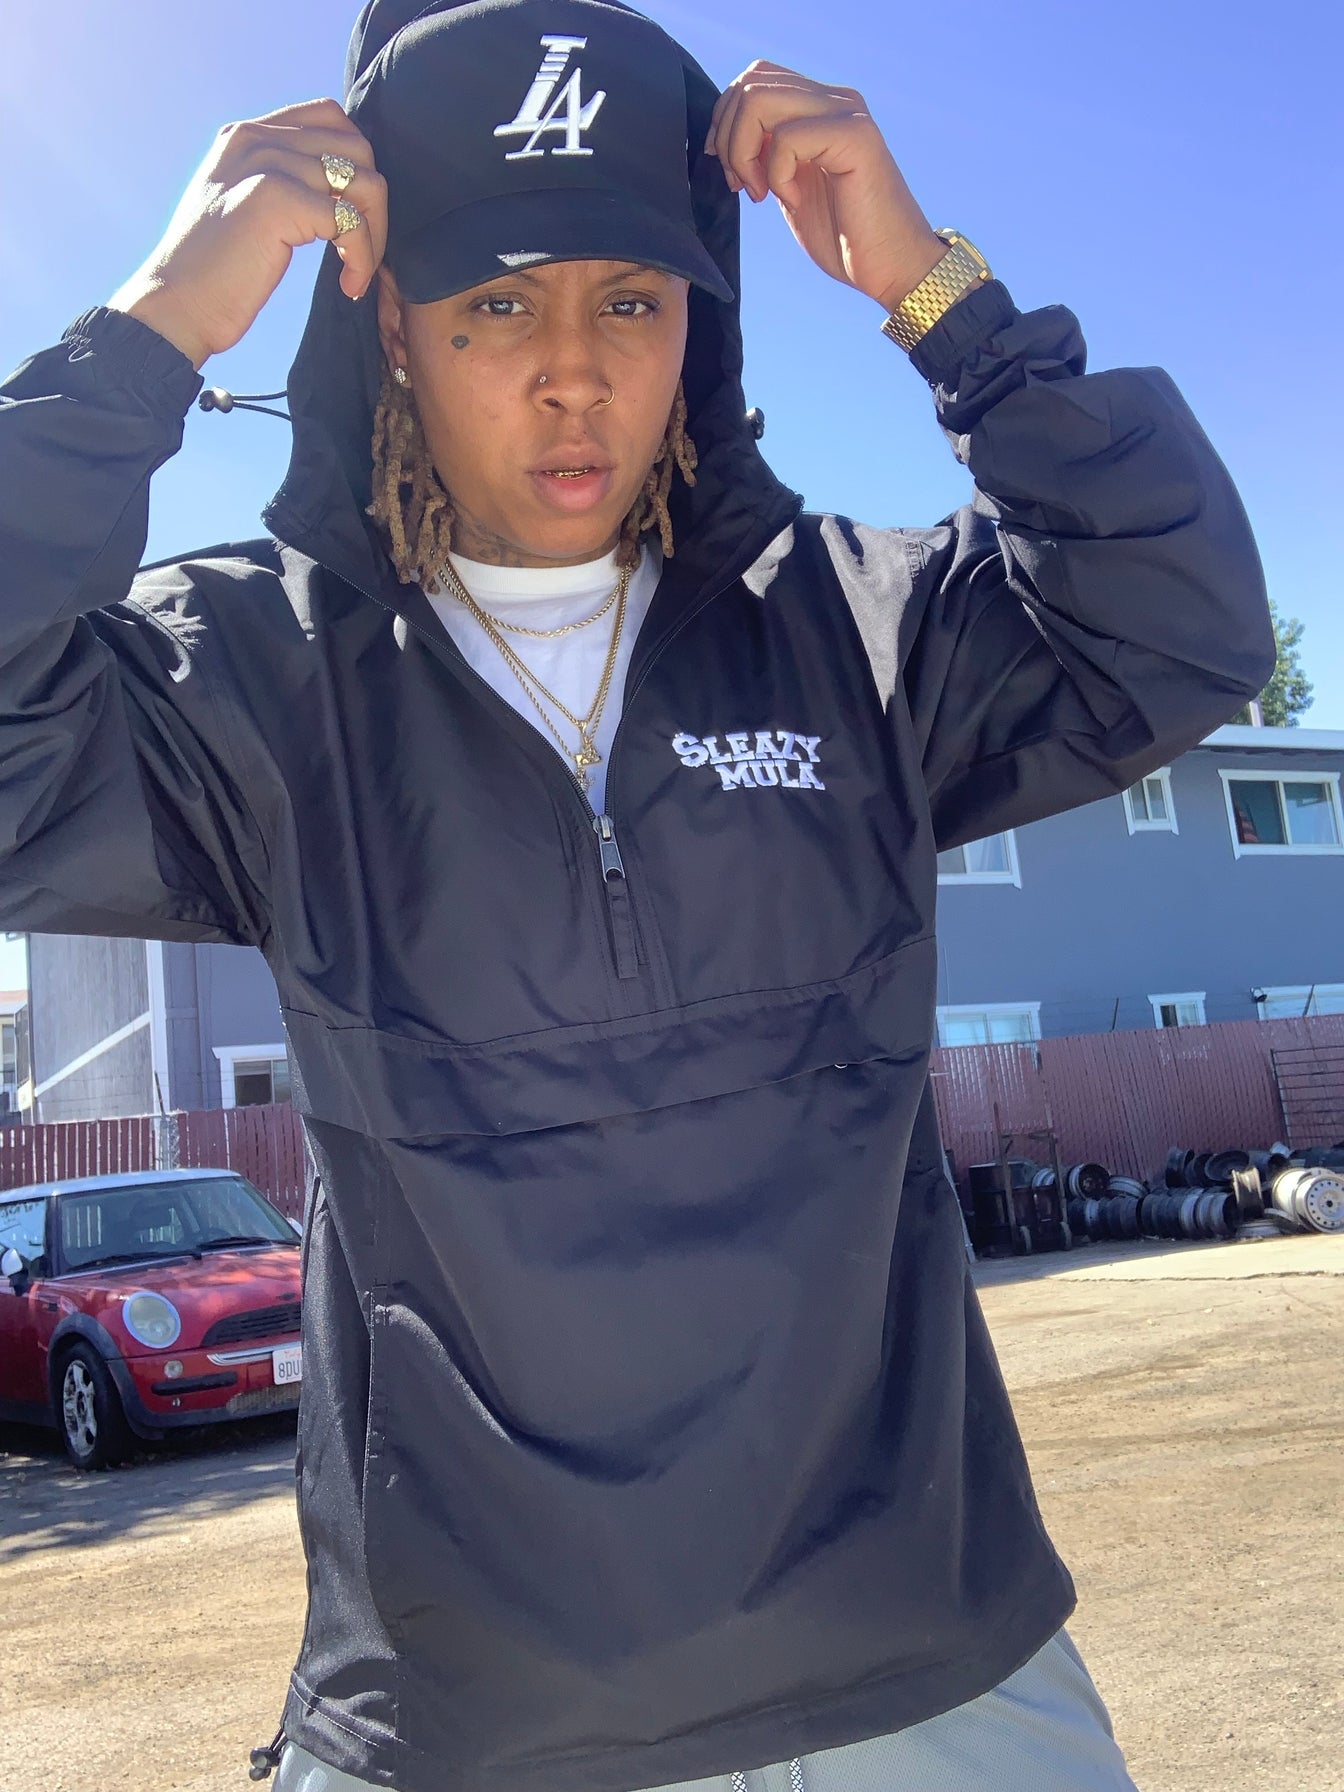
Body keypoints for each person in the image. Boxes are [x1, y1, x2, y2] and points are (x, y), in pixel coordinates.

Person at [0, 2, 1273, 1789]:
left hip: (935, 1680)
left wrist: (944, 301)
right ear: (386, 321)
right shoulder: (261, 685)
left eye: (630, 298)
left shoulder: (859, 633)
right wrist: (150, 329)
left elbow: (1181, 630)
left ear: (704, 315)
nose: (572, 375)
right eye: (495, 303)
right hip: (477, 1727)